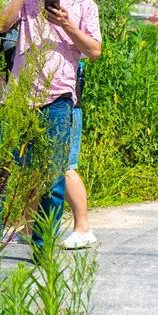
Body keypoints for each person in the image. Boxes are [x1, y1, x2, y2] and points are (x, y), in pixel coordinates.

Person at [0, 0, 101, 256]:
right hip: (17, 98)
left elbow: (94, 51)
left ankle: (42, 248)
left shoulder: (83, 4)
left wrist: (66, 25)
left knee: (52, 178)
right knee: (0, 172)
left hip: (57, 99)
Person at [63, 60, 97, 248]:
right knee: (37, 165)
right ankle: (29, 227)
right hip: (44, 102)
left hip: (66, 105)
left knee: (65, 167)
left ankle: (83, 227)